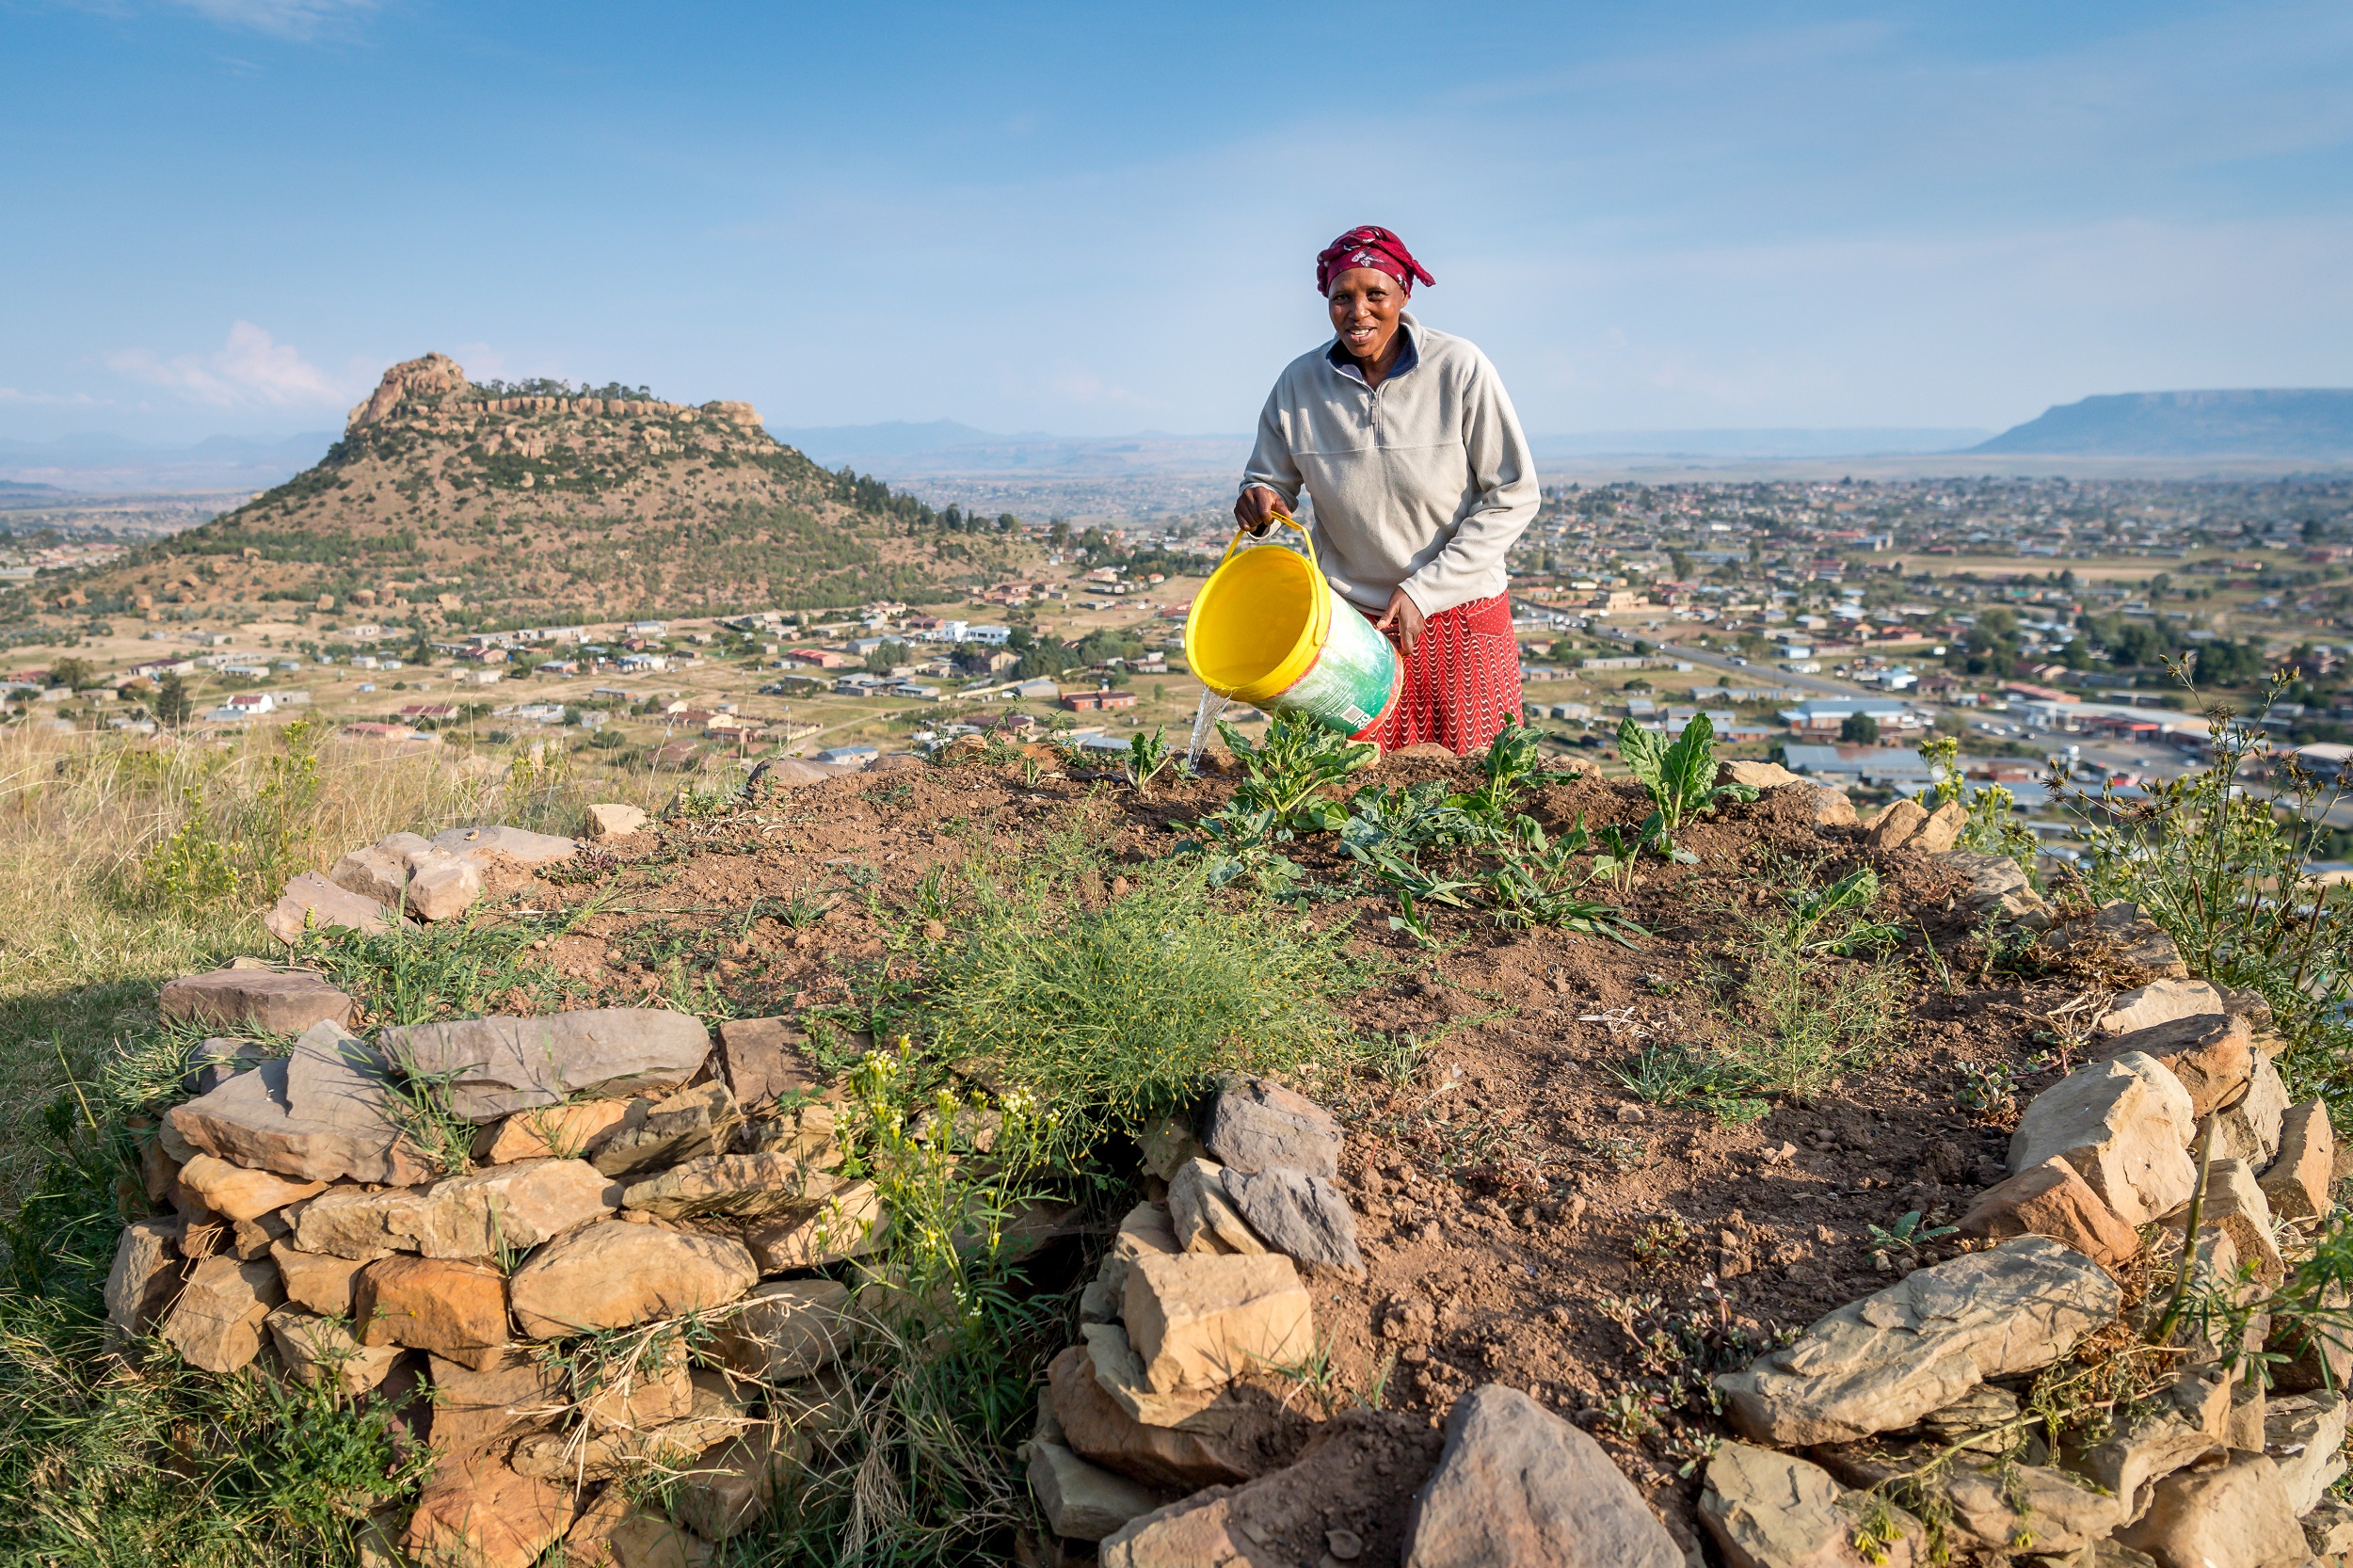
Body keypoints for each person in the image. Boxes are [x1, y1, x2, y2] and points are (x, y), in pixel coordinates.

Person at [1235, 224, 1538, 756]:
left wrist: (1425, 590)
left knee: (1478, 792)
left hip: (1460, 615)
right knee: (1351, 798)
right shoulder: (1298, 384)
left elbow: (1513, 493)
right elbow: (1269, 481)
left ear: (1404, 294)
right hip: (1350, 629)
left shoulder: (1458, 368)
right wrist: (1259, 501)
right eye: (1342, 297)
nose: (1359, 312)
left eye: (1375, 294)